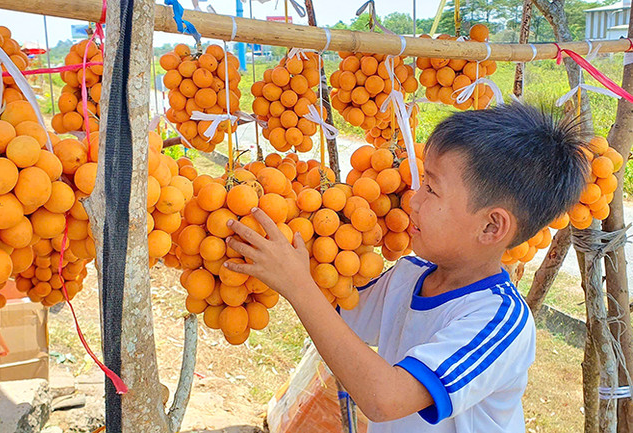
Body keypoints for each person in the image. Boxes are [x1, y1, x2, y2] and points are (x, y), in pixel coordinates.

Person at [223, 103, 589, 432]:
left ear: (492, 226)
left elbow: (385, 399)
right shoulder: (408, 275)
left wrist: (298, 285)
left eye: (431, 189)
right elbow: (334, 313)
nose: (413, 200)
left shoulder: (499, 322)